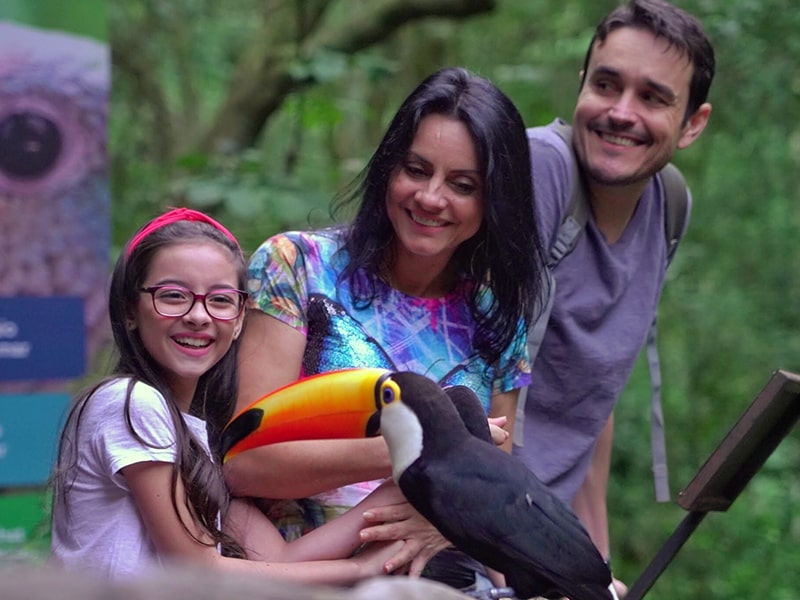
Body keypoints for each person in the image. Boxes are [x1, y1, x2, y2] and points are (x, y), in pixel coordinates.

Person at [224, 67, 547, 590]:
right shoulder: (296, 266)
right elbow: (244, 462)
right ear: (388, 169)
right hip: (299, 579)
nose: (431, 197)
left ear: (493, 202)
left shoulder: (497, 315)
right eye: (416, 170)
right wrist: (417, 456)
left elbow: (491, 501)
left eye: (462, 185)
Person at [49, 207, 407, 583]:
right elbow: (197, 567)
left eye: (220, 300)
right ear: (129, 310)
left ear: (238, 322)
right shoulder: (132, 402)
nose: (198, 316)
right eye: (173, 296)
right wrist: (359, 568)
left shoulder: (198, 440)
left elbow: (280, 559)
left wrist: (406, 484)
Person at [512, 1, 715, 596]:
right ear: (581, 85)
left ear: (692, 123)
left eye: (653, 98)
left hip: (543, 538)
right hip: (469, 530)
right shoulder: (540, 168)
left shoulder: (670, 206)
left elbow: (591, 403)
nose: (621, 112)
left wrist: (594, 563)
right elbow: (465, 373)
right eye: (606, 84)